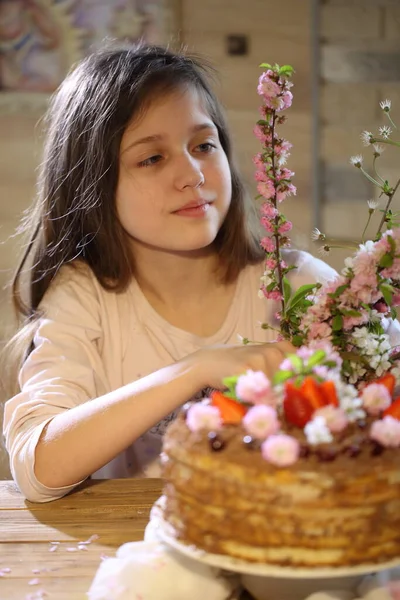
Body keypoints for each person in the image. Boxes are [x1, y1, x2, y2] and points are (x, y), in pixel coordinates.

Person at [2, 43, 336, 503]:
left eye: (203, 145)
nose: (193, 174)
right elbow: (38, 468)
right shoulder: (85, 298)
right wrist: (193, 370)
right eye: (152, 158)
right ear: (94, 184)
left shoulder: (297, 284)